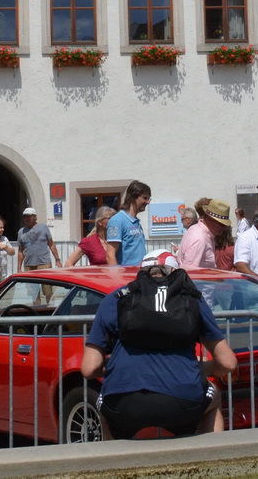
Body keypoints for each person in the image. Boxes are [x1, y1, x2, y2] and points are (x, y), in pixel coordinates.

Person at [81, 261, 238, 439]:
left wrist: (112, 368)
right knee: (214, 396)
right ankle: (210, 460)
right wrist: (200, 368)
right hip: (182, 399)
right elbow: (228, 362)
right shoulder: (191, 298)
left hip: (124, 402)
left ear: (141, 271)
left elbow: (89, 368)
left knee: (104, 406)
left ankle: (113, 462)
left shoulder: (116, 299)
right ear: (173, 272)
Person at [177, 199, 232, 269]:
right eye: (221, 224)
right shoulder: (200, 238)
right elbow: (189, 271)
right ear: (209, 220)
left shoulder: (198, 231)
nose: (224, 228)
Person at [107, 180, 152, 266]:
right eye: (145, 198)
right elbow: (110, 255)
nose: (148, 202)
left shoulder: (136, 222)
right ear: (133, 198)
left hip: (139, 274)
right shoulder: (117, 221)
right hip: (126, 276)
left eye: (148, 198)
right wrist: (116, 277)